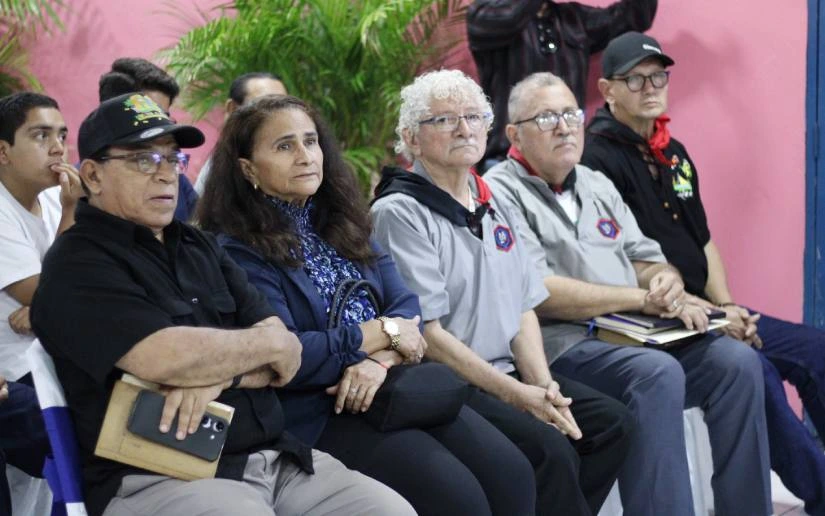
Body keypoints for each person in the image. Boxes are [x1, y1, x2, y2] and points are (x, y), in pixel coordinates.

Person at [29, 93, 416, 516]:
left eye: (172, 159)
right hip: (162, 474)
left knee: (391, 510)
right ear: (92, 174)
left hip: (275, 459)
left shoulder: (199, 246)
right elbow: (164, 357)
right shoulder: (78, 264)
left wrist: (217, 375)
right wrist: (255, 351)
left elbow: (288, 353)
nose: (166, 174)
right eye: (144, 160)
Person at [198, 93, 537, 516]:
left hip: (391, 382)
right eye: (284, 146)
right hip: (327, 408)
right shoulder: (238, 250)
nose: (305, 156)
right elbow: (291, 355)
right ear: (248, 168)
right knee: (457, 496)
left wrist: (379, 359)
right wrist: (382, 332)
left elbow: (407, 306)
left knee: (513, 473)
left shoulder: (340, 221)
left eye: (310, 141)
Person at [484, 72, 772, 516]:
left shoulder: (595, 183)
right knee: (655, 374)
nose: (564, 128)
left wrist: (665, 281)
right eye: (546, 118)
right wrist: (639, 299)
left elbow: (646, 259)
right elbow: (539, 291)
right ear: (513, 134)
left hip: (638, 333)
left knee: (736, 362)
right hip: (566, 344)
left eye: (571, 115)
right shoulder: (499, 191)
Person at [582, 31, 825, 515]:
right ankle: (819, 490)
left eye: (658, 76)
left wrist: (727, 305)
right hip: (656, 317)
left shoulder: (673, 152)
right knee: (752, 370)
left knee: (815, 349)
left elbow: (704, 241)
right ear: (608, 91)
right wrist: (711, 316)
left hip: (710, 309)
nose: (651, 88)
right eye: (636, 80)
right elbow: (618, 264)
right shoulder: (595, 160)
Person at [371, 69, 634, 516]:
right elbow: (428, 335)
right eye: (444, 120)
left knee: (611, 425)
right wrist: (516, 395)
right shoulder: (399, 211)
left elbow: (523, 306)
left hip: (508, 370)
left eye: (473, 116)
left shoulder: (492, 198)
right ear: (411, 138)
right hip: (454, 381)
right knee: (551, 451)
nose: (464, 128)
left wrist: (543, 386)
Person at [0, 92, 82, 514]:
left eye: (62, 135)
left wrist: (47, 310)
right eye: (40, 135)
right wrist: (71, 213)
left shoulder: (53, 197)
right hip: (15, 375)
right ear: (3, 152)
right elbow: (53, 296)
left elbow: (88, 284)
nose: (57, 148)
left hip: (52, 361)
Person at [466, 0, 657, 168]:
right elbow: (510, 18)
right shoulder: (484, 14)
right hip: (507, 162)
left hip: (567, 161)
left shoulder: (574, 18)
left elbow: (636, 15)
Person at [98, 57, 198, 222]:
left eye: (164, 117)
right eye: (148, 115)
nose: (160, 125)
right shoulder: (76, 192)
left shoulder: (176, 179)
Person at [193, 72, 287, 194]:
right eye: (265, 105)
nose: (277, 114)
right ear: (232, 108)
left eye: (284, 105)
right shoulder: (223, 167)